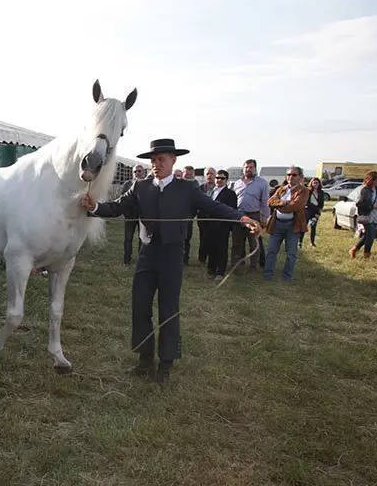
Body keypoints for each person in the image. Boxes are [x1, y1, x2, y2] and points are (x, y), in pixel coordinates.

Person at [80, 138, 261, 384]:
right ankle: (145, 359)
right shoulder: (140, 186)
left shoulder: (187, 189)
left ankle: (165, 364)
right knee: (140, 307)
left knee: (168, 311)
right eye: (153, 160)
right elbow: (117, 207)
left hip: (171, 257)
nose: (156, 164)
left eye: (161, 159)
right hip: (147, 256)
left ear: (173, 160)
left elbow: (213, 206)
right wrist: (95, 206)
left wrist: (242, 219)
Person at [263, 166, 310, 282]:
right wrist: (284, 203)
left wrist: (280, 205)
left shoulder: (303, 190)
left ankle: (287, 276)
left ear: (300, 177)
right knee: (271, 250)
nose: (290, 177)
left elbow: (297, 205)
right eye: (289, 175)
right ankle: (267, 274)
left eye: (294, 175)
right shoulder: (281, 189)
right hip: (277, 224)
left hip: (292, 226)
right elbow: (270, 202)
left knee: (291, 253)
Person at [230, 159, 270, 273]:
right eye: (246, 167)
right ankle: (236, 264)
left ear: (255, 169)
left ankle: (253, 267)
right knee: (237, 242)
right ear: (243, 169)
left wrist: (264, 219)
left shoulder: (262, 183)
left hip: (254, 216)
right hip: (239, 216)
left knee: (254, 243)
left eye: (251, 167)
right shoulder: (236, 183)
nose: (248, 169)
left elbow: (265, 202)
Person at [204, 169, 237, 280]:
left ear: (226, 180)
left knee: (221, 248)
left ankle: (220, 272)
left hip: (222, 226)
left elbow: (231, 210)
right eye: (217, 178)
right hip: (210, 225)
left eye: (222, 178)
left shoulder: (230, 194)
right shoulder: (211, 192)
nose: (219, 180)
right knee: (211, 247)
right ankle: (211, 269)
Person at [350, 171, 377, 259]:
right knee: (372, 236)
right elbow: (359, 203)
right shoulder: (364, 190)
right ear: (371, 179)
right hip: (366, 214)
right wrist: (372, 206)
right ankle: (367, 254)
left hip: (375, 214)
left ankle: (354, 249)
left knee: (367, 235)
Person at [120, 164, 147, 264]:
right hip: (129, 216)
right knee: (128, 238)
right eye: (135, 171)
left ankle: (142, 259)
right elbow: (122, 199)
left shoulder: (147, 184)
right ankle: (127, 259)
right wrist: (125, 212)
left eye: (139, 171)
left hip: (142, 216)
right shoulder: (127, 184)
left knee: (142, 238)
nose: (137, 173)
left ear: (143, 172)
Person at [197, 167, 217, 264]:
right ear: (205, 176)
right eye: (208, 174)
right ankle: (202, 258)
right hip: (203, 217)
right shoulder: (200, 189)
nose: (210, 176)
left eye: (212, 174)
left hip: (215, 218)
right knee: (203, 238)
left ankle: (212, 258)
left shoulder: (218, 188)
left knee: (214, 238)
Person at [301, 177, 325, 248]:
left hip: (316, 212)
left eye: (316, 183)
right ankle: (300, 242)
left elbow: (322, 203)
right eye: (314, 182)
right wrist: (316, 208)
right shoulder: (308, 191)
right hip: (308, 210)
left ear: (319, 184)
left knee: (313, 226)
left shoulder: (321, 192)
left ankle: (312, 242)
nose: (315, 184)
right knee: (304, 226)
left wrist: (319, 210)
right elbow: (306, 203)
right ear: (311, 183)